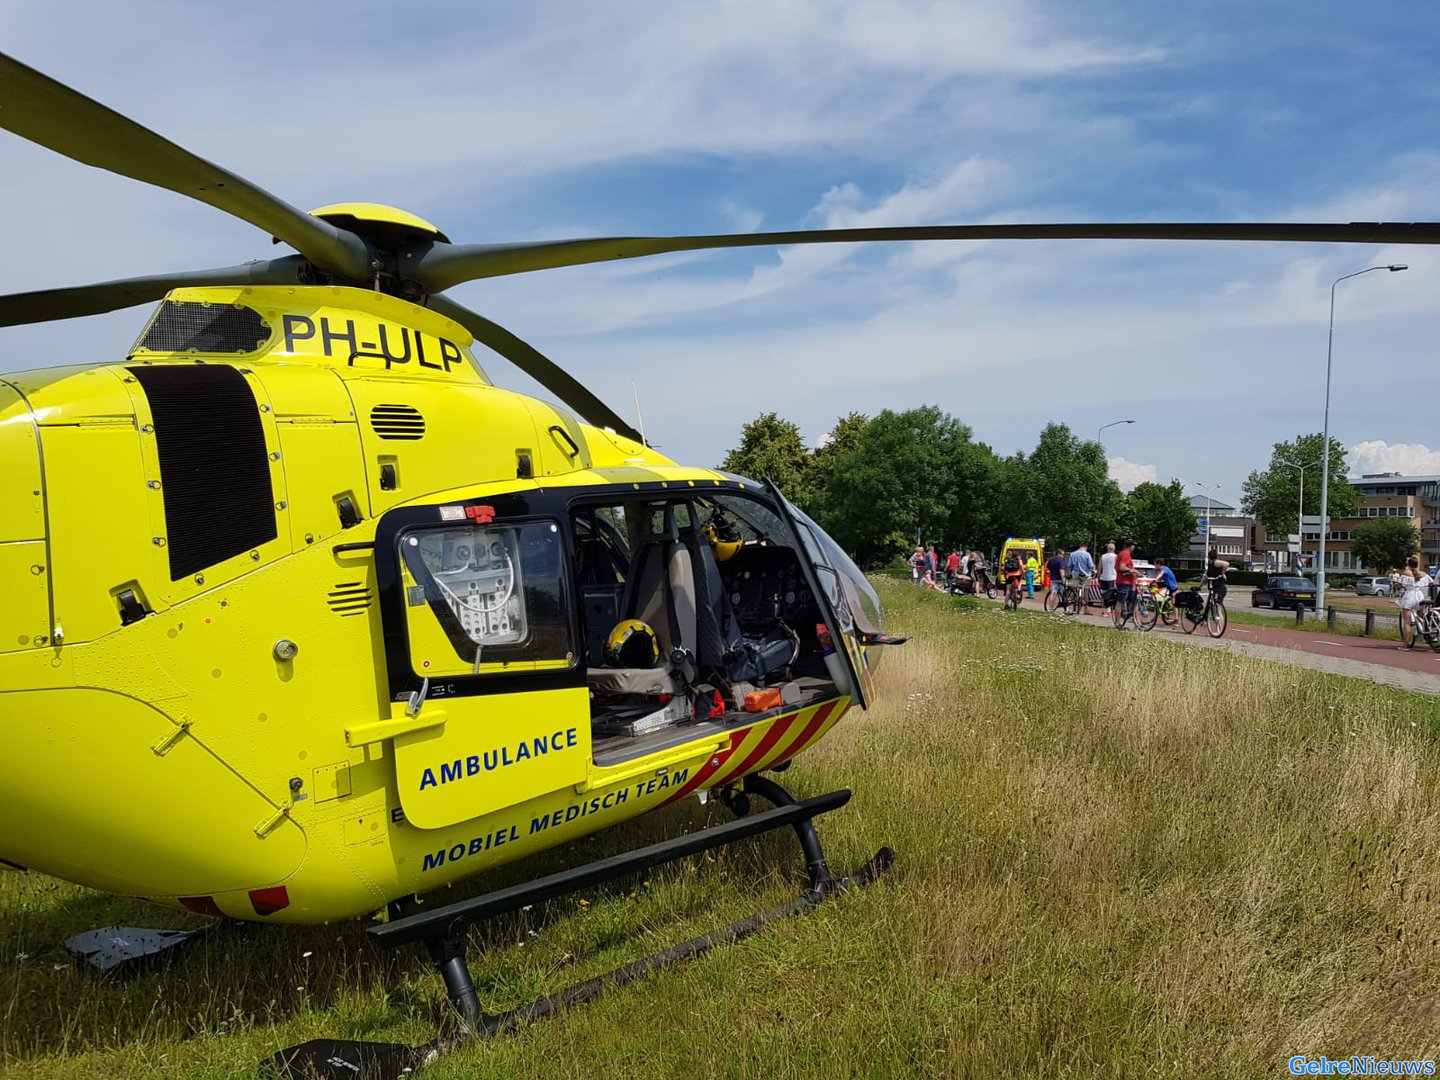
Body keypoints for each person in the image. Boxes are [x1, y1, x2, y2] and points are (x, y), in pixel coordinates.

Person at [1397, 556, 1433, 648]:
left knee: (1407, 622)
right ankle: (1428, 633)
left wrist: (1399, 586)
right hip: (1420, 596)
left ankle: (1405, 645)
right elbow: (1431, 583)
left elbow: (1399, 585)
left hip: (1410, 597)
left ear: (1408, 564)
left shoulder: (1406, 573)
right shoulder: (1423, 574)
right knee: (1421, 615)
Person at [1114, 541, 1139, 624]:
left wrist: (1137, 572)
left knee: (1133, 601)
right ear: (1131, 546)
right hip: (1124, 582)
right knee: (1120, 602)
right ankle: (1117, 623)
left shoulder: (1122, 553)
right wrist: (1131, 571)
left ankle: (1137, 622)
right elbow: (1122, 567)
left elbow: (1116, 566)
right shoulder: (1125, 554)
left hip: (1127, 582)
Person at [1098, 542, 1118, 615]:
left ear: (1107, 548)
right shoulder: (1116, 557)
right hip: (1112, 577)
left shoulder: (1102, 556)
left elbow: (1099, 568)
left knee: (1104, 594)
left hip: (1104, 577)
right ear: (1114, 549)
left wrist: (1098, 577)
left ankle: (1103, 610)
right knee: (1111, 594)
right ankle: (1109, 610)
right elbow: (1117, 567)